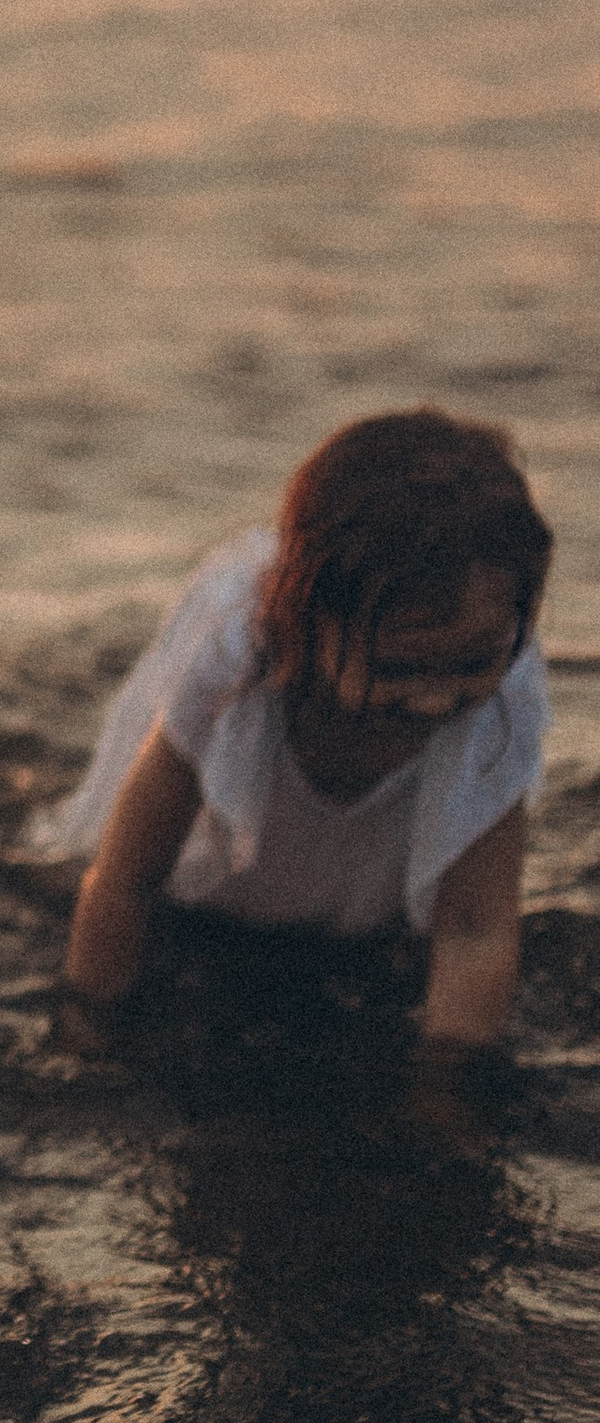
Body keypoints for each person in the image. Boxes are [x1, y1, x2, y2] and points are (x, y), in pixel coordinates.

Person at [40, 412, 551, 1052]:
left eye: (474, 663)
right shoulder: (233, 668)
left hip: (347, 911)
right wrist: (89, 1031)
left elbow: (476, 931)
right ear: (303, 621)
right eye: (399, 668)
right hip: (191, 888)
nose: (438, 699)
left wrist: (443, 1091)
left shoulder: (500, 694)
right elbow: (125, 880)